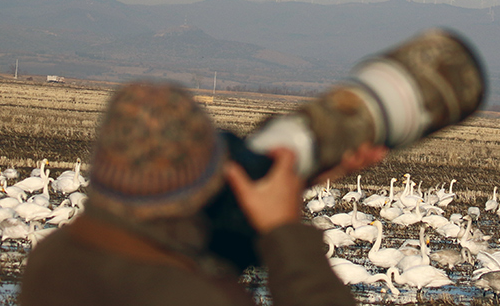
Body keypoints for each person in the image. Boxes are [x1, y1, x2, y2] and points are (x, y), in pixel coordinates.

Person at [20, 81, 387, 306]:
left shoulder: (54, 258)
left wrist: (300, 175)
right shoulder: (201, 298)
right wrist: (285, 232)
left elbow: (170, 249)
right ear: (205, 183)